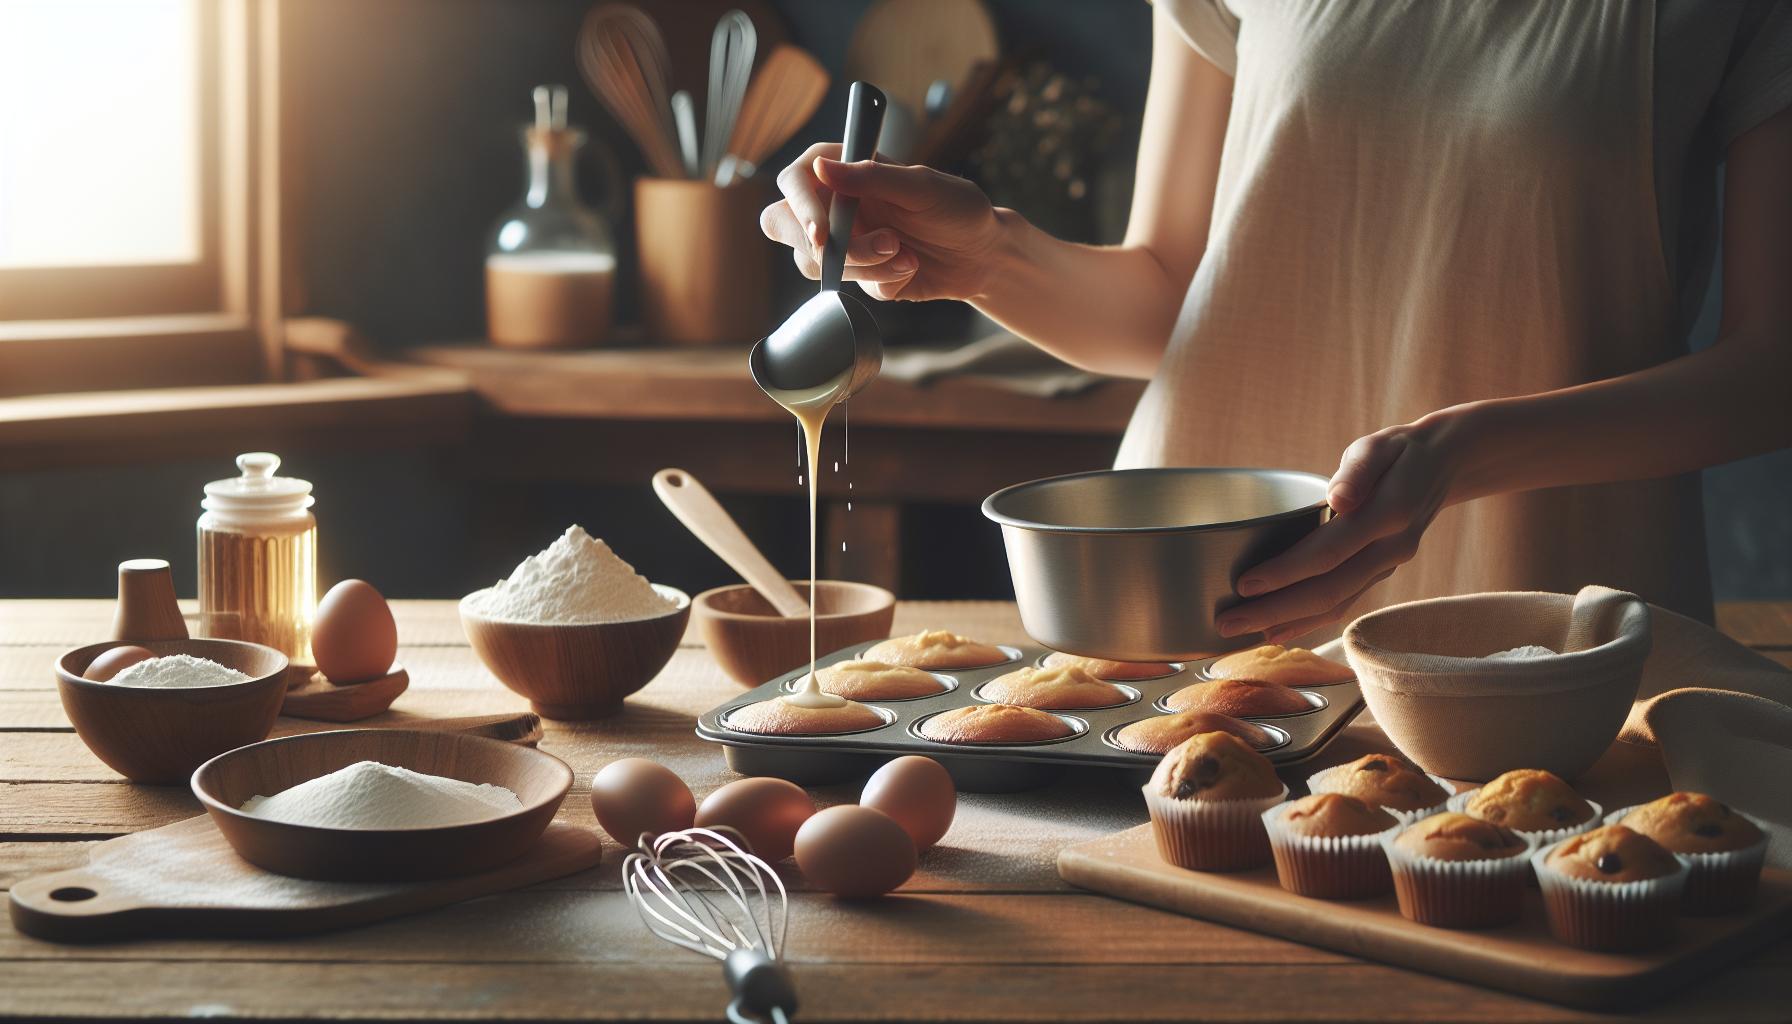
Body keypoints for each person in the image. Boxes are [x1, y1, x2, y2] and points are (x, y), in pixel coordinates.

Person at [760, 1, 1792, 642]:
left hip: (1550, 631)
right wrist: (987, 253)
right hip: (1206, 617)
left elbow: (1769, 372)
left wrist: (1467, 450)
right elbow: (1171, 294)